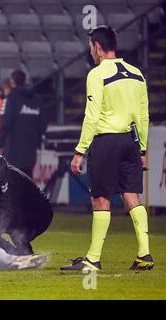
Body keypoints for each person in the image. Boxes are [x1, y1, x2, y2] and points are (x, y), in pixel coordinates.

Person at [61, 25, 152, 271]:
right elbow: (144, 116)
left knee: (100, 200)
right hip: (131, 142)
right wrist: (142, 149)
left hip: (107, 142)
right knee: (132, 196)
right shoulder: (137, 73)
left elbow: (92, 116)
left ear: (98, 47)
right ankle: (144, 254)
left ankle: (93, 259)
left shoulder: (97, 74)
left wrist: (80, 151)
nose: (91, 52)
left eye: (91, 47)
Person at [0, 70, 46, 178]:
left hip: (13, 152)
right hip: (30, 152)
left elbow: (5, 122)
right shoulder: (37, 99)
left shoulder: (10, 98)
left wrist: (0, 143)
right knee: (27, 183)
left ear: (12, 81)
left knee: (13, 185)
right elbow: (42, 125)